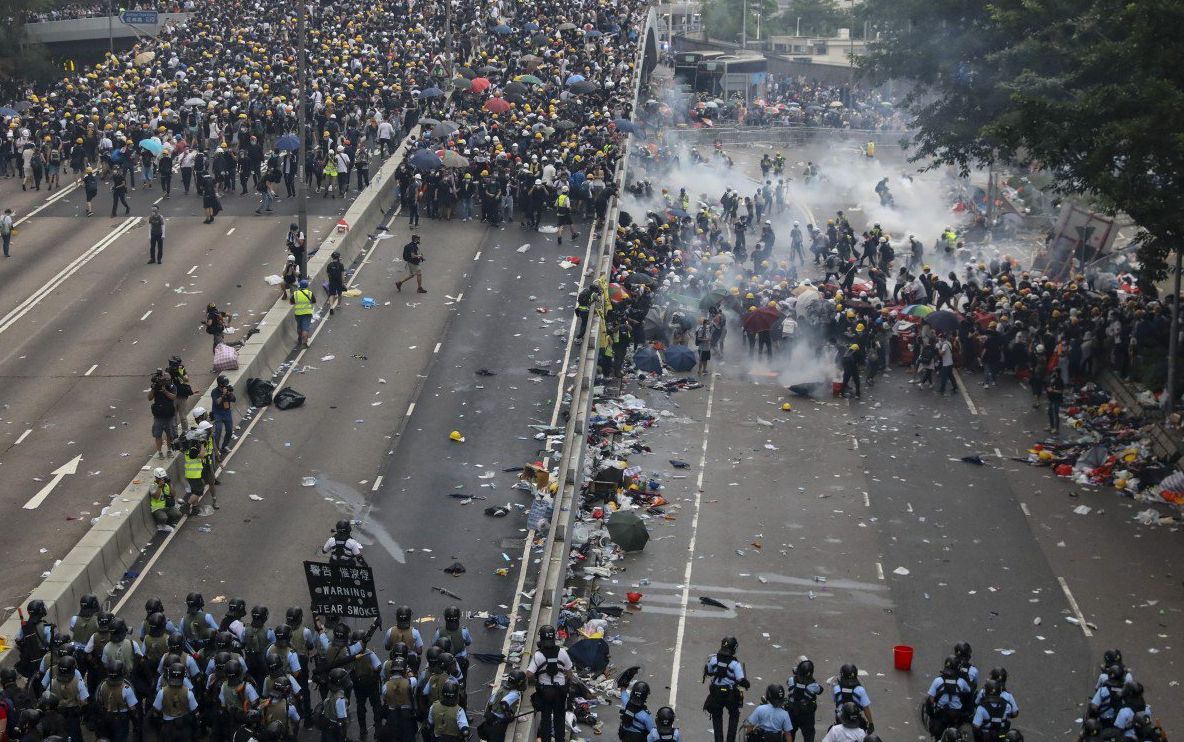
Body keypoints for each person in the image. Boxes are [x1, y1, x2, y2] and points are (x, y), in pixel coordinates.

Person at [525, 625, 572, 742]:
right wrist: (565, 683)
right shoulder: (562, 652)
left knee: (545, 719)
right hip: (560, 692)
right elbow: (569, 672)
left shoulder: (538, 655)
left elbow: (529, 674)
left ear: (541, 638)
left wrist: (536, 681)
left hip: (545, 693)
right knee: (559, 719)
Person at [703, 637, 747, 742]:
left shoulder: (714, 659)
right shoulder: (735, 664)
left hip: (716, 694)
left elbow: (709, 671)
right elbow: (741, 680)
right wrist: (746, 684)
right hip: (730, 695)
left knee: (717, 717)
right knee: (734, 715)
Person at [926, 656, 972, 739]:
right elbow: (969, 691)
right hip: (956, 714)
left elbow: (931, 699)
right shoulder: (961, 682)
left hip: (941, 714)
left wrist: (932, 714)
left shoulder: (938, 680)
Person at [481, 670, 523, 742]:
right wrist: (509, 715)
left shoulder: (503, 688)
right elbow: (504, 703)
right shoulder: (515, 693)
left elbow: (491, 702)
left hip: (490, 717)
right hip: (498, 722)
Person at [786, 659, 822, 742]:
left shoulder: (792, 680)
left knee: (790, 733)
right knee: (809, 735)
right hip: (807, 714)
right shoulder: (813, 685)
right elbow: (820, 690)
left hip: (792, 711)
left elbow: (788, 682)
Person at [832, 665, 872, 731]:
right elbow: (866, 709)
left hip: (840, 720)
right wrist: (871, 723)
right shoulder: (860, 690)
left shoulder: (836, 688)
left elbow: (835, 701)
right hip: (856, 720)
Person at [149, 368, 178, 458]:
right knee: (158, 435)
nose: (165, 382)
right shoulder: (156, 387)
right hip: (158, 416)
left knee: (170, 434)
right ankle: (160, 452)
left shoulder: (171, 387)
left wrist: (165, 391)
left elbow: (173, 397)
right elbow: (149, 398)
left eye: (167, 380)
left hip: (169, 415)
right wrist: (154, 389)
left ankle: (169, 450)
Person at [211, 376, 235, 455]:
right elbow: (217, 402)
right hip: (217, 413)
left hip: (227, 412)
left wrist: (229, 393)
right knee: (218, 430)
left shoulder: (227, 389)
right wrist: (223, 394)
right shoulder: (214, 392)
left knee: (229, 430)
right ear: (220, 384)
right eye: (225, 383)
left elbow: (234, 399)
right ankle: (216, 449)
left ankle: (224, 446)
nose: (226, 385)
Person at [290, 279, 316, 348]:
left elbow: (291, 302)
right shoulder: (309, 293)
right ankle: (304, 343)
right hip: (307, 313)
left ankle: (299, 338)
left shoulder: (296, 293)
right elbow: (314, 301)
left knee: (299, 327)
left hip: (298, 314)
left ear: (300, 286)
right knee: (305, 328)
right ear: (307, 286)